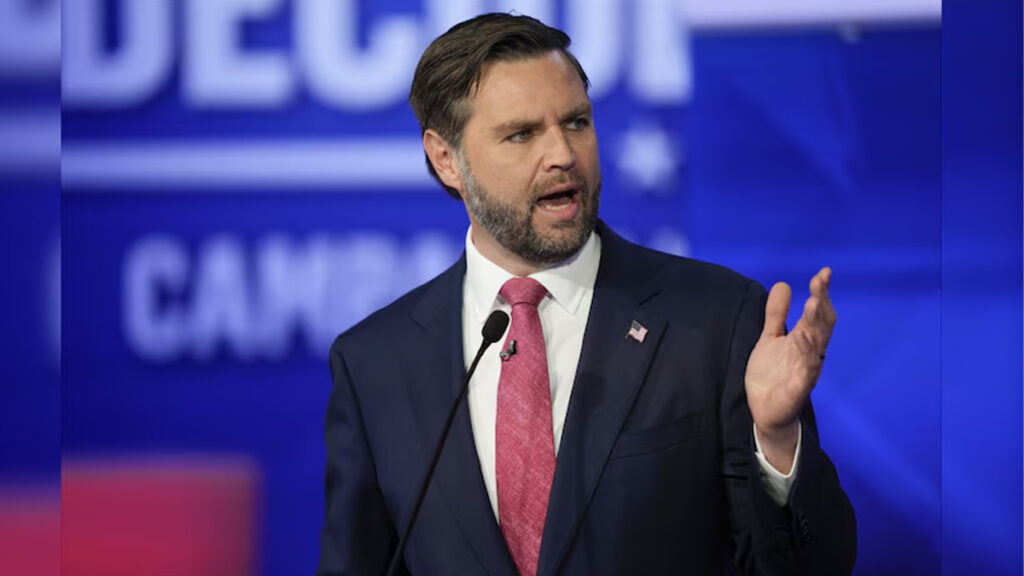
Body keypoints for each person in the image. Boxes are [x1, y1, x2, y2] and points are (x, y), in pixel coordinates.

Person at [317, 12, 856, 576]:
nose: (563, 154)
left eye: (576, 122)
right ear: (446, 159)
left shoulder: (716, 323)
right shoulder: (375, 362)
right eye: (522, 134)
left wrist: (776, 441)